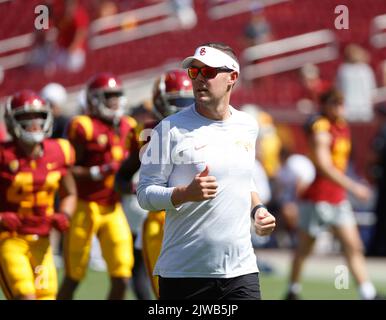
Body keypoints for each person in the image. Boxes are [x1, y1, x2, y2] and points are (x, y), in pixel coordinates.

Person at [136, 42, 276, 300]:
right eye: (194, 72)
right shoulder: (167, 129)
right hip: (185, 274)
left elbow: (244, 181)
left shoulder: (247, 126)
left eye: (208, 72)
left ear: (232, 77)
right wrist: (184, 193)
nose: (199, 79)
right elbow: (144, 195)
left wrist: (258, 210)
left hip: (241, 271)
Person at [285, 88, 380, 300]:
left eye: (341, 103)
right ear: (325, 105)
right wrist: (354, 187)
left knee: (353, 246)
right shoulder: (321, 128)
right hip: (318, 198)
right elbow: (325, 166)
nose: (339, 107)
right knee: (304, 249)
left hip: (337, 198)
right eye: (334, 103)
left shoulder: (342, 126)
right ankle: (293, 290)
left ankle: (367, 293)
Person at [115, 68, 195, 298]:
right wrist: (136, 189)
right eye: (176, 101)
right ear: (160, 102)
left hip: (195, 220)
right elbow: (122, 176)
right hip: (159, 219)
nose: (182, 108)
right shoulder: (149, 132)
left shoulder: (206, 128)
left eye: (187, 101)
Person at [58, 73, 136, 300]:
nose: (113, 101)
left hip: (112, 207)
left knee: (122, 277)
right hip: (84, 206)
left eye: (116, 95)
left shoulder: (129, 126)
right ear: (93, 99)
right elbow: (65, 169)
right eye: (108, 96)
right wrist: (96, 172)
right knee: (74, 277)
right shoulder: (83, 126)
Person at [0, 90, 76, 299]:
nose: (34, 122)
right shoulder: (3, 154)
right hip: (9, 239)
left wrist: (65, 215)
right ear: (11, 120)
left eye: (39, 116)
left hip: (42, 241)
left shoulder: (60, 151)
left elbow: (69, 193)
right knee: (26, 296)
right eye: (25, 117)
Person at [367, 103, 386, 256]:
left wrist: (370, 170)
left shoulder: (383, 132)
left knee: (381, 215)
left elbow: (374, 156)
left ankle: (378, 249)